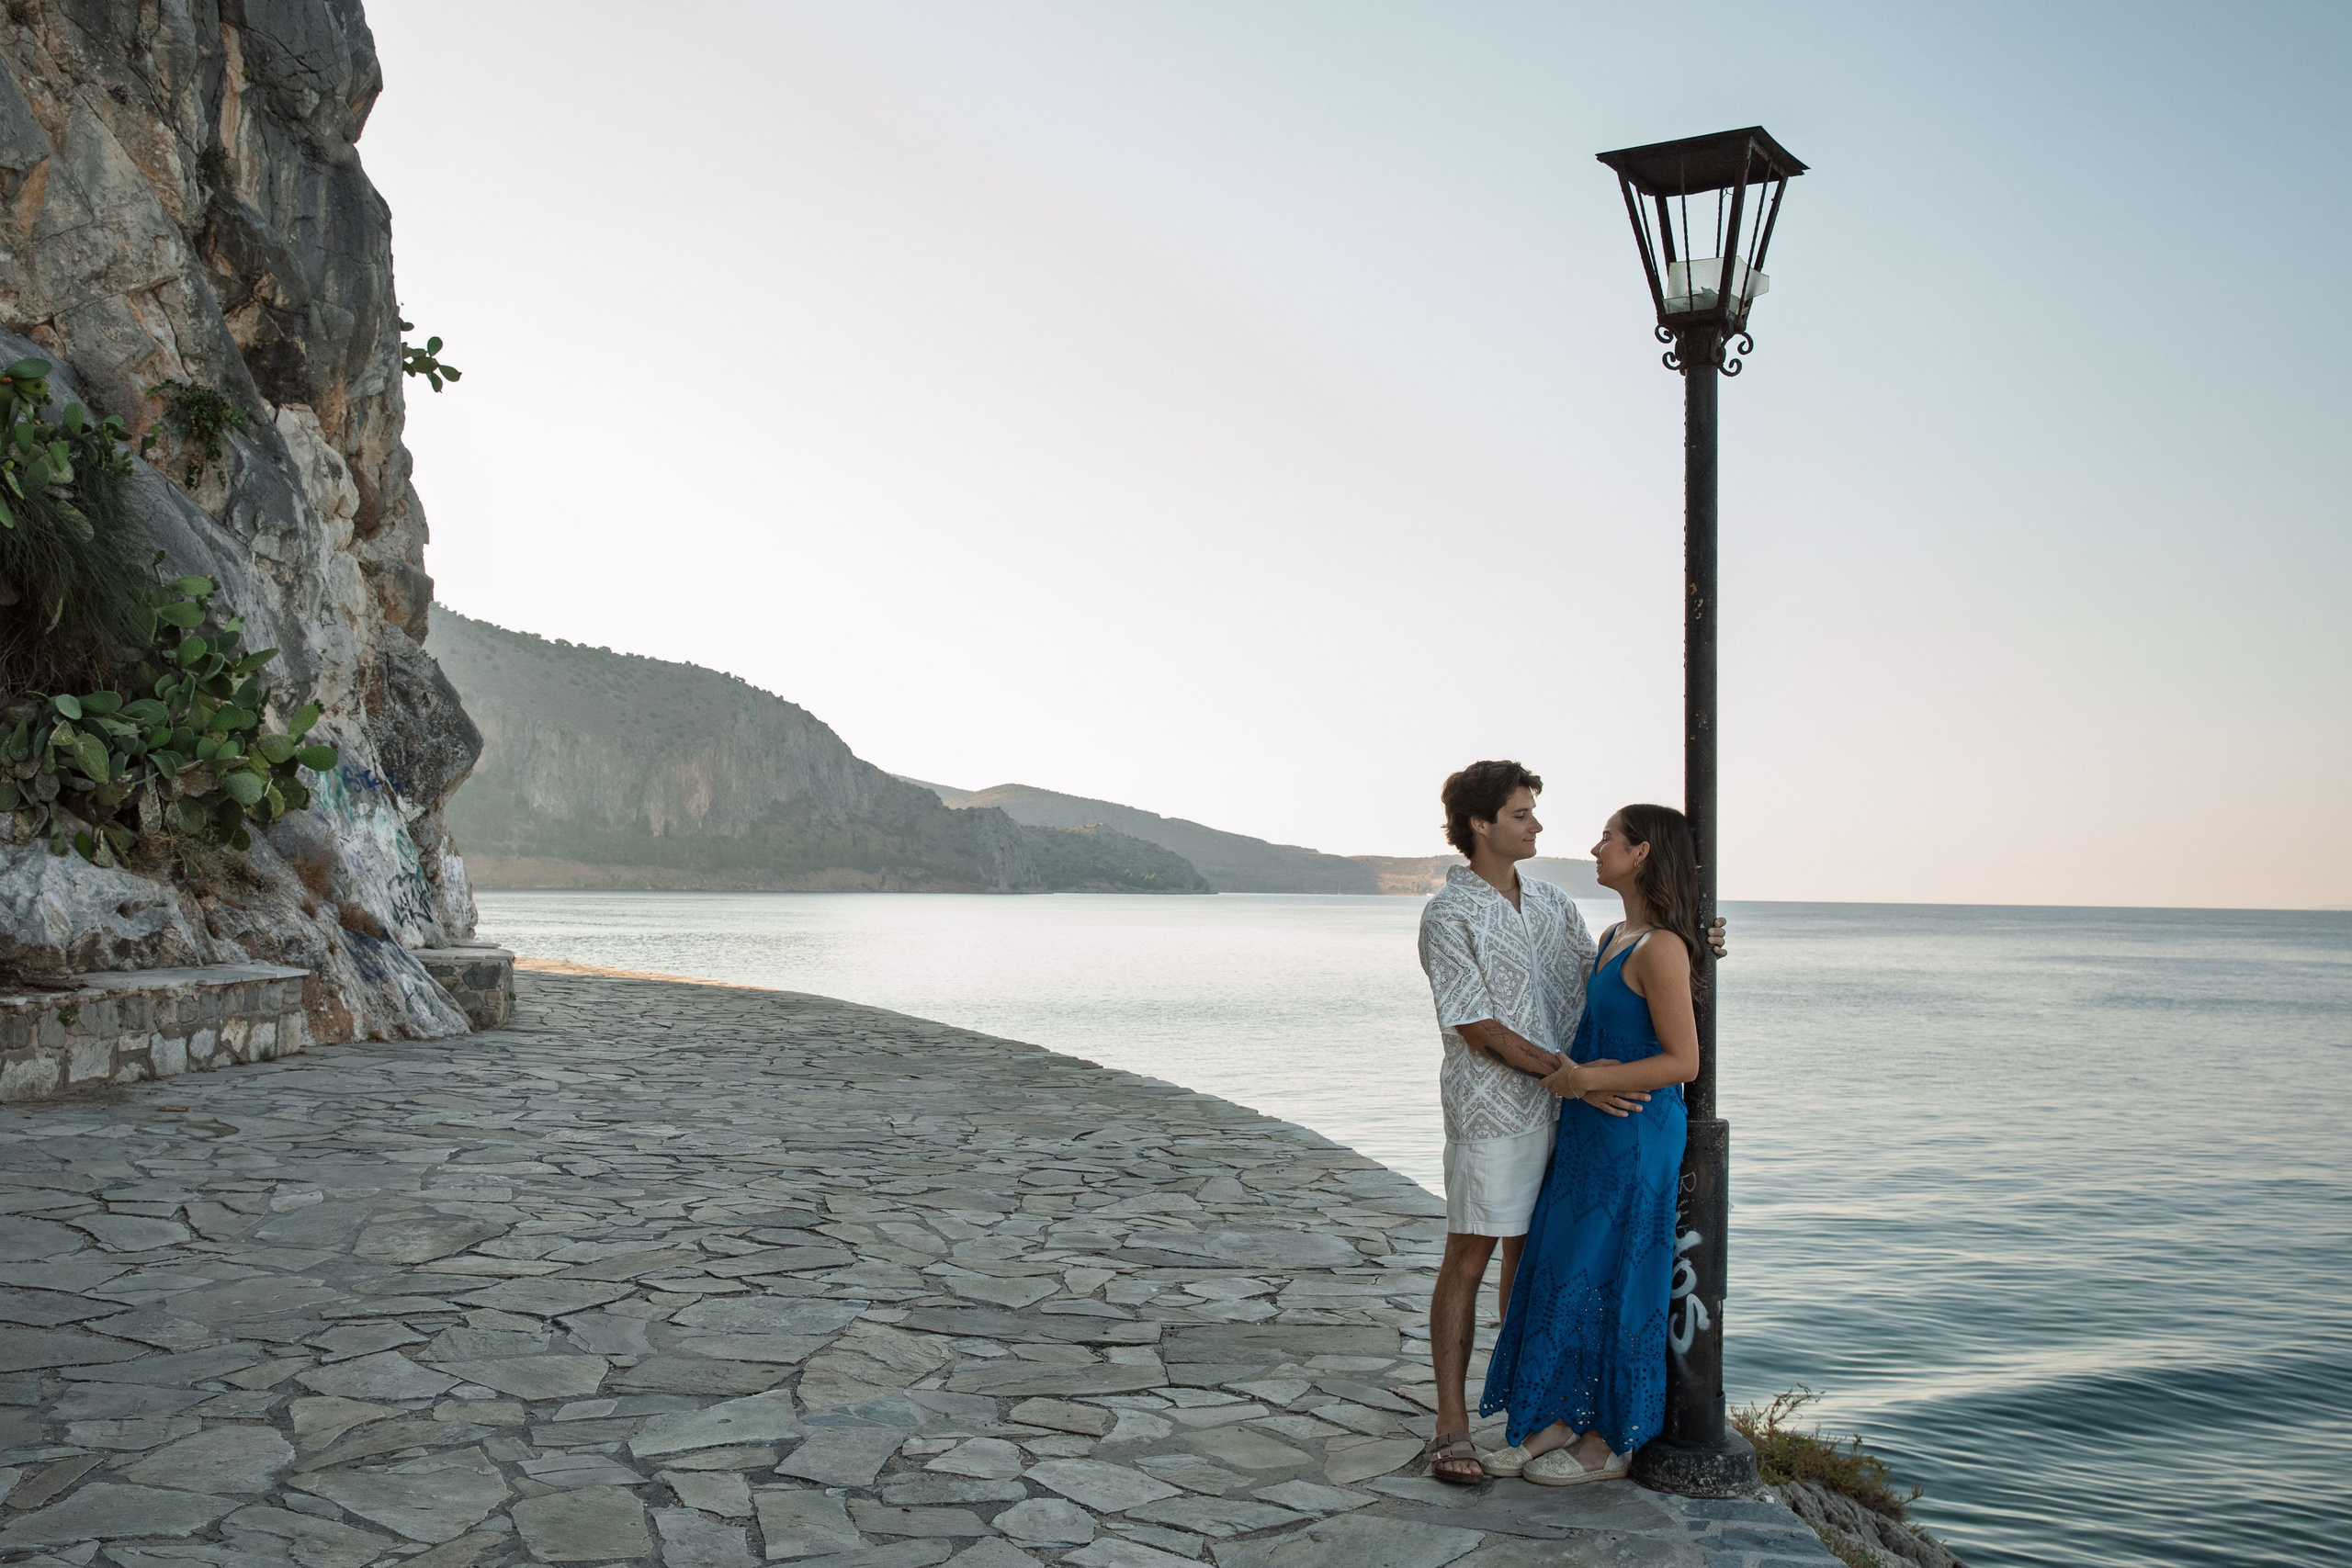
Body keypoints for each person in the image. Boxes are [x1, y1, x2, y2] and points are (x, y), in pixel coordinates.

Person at [1476, 803, 1706, 1486]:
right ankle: (1549, 1418)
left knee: (1617, 1279)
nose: (1595, 845)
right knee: (1564, 1269)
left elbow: (1683, 1061)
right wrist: (1576, 1084)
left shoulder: (1660, 946)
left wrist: (1582, 1078)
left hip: (1636, 1136)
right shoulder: (1614, 934)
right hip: (1587, 1130)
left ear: (1641, 853)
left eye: (1608, 837)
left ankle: (1608, 1440)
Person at [1414, 761, 1624, 1486]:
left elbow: (1602, 970)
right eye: (1521, 814)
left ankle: (1530, 1414)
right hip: (1490, 1110)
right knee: (1469, 1256)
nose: (1536, 825)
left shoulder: (1552, 902)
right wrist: (1570, 1075)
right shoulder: (1449, 914)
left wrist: (1686, 942)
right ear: (1480, 823)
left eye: (1534, 812)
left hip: (1560, 1104)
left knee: (1530, 1262)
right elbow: (1476, 1025)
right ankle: (1451, 1425)